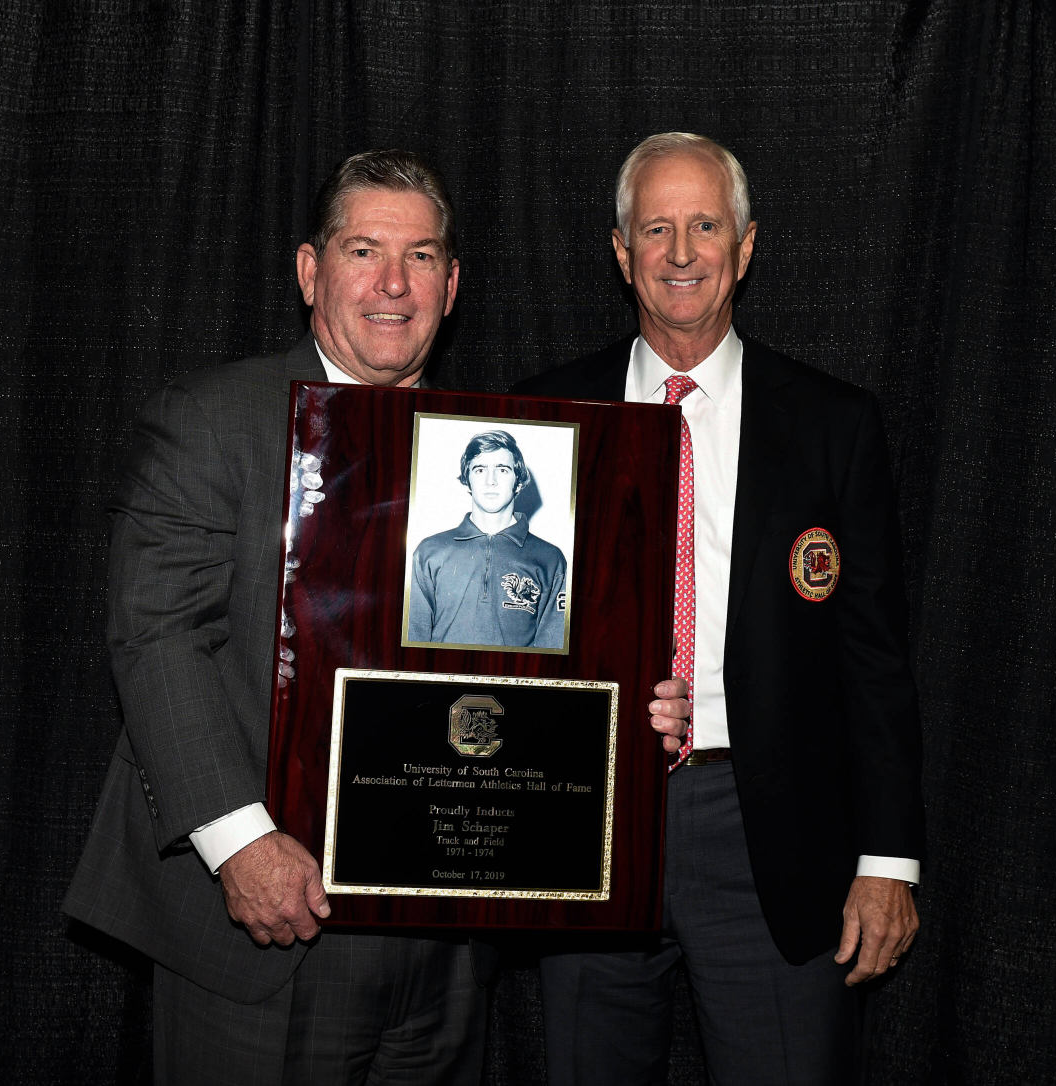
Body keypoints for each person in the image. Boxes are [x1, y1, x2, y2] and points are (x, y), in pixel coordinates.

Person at [64, 150, 488, 1086]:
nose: (392, 283)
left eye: (420, 257)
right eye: (363, 250)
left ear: (451, 286)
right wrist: (238, 842)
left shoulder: (497, 452)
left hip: (445, 944)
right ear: (309, 270)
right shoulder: (211, 419)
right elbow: (158, 639)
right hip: (262, 927)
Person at [512, 132, 925, 1084]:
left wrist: (890, 861)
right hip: (588, 822)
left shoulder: (832, 423)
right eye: (656, 229)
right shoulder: (541, 413)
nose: (681, 252)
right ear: (622, 253)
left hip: (766, 832)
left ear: (746, 246)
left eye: (705, 226)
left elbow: (875, 659)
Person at [408, 429, 567, 649]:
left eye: (502, 470)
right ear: (467, 481)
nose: (490, 481)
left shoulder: (550, 558)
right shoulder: (429, 552)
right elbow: (413, 643)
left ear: (518, 482)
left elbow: (552, 650)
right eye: (480, 469)